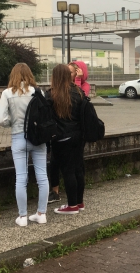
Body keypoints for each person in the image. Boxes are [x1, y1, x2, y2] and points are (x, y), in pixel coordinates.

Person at [0, 63, 49, 227]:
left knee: (21, 177)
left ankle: (23, 216)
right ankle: (41, 213)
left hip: (19, 137)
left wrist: (12, 122)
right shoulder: (39, 92)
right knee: (42, 176)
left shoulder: (7, 93)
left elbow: (0, 119)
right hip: (39, 139)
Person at [46, 64, 86, 214]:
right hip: (79, 137)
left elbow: (47, 117)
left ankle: (72, 206)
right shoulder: (78, 92)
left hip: (62, 138)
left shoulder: (51, 94)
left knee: (68, 172)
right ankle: (80, 202)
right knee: (78, 169)